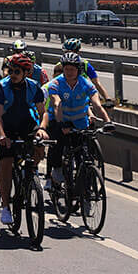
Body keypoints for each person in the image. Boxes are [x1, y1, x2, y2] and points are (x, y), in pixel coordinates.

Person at [0, 52, 48, 225]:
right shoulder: (1, 86)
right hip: (6, 126)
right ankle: (6, 206)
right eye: (10, 71)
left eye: (17, 72)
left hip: (25, 124)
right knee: (6, 165)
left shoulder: (34, 86)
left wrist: (42, 128)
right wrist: (2, 135)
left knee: (39, 146)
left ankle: (28, 172)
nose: (12, 75)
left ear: (25, 73)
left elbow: (42, 113)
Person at [44, 51, 113, 191]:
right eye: (66, 69)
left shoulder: (85, 84)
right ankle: (56, 171)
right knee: (58, 145)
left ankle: (84, 187)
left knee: (82, 154)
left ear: (78, 70)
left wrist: (107, 121)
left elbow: (97, 105)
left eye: (72, 69)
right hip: (61, 120)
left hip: (80, 122)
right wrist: (62, 124)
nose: (69, 72)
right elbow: (57, 104)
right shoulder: (56, 83)